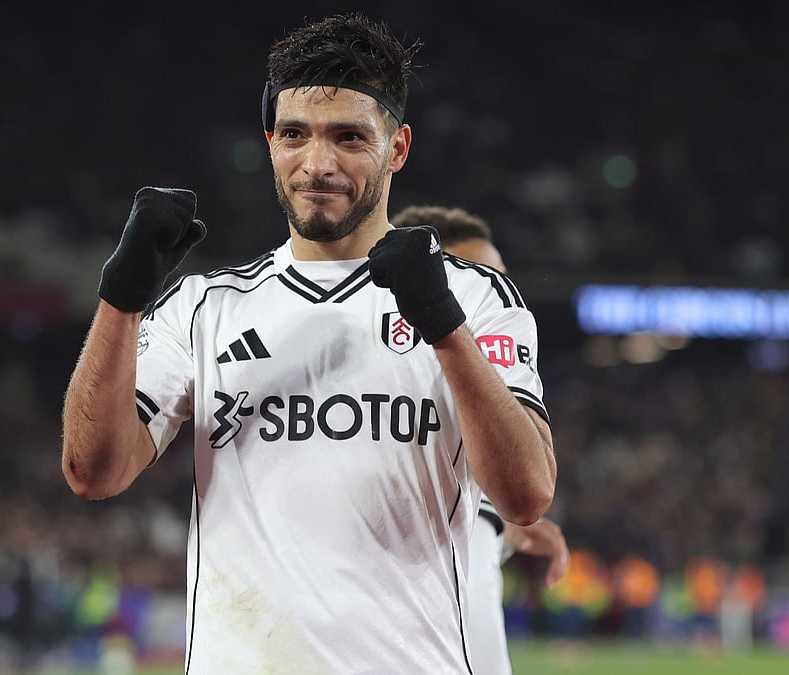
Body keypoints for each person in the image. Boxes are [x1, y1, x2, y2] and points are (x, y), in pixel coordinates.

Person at [61, 13, 556, 674]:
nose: (317, 164)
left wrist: (442, 324)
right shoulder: (205, 308)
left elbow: (526, 493)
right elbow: (92, 470)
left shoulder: (476, 299)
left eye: (349, 137)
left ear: (397, 147)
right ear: (270, 142)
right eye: (295, 134)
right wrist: (122, 297)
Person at [394, 204, 570, 675]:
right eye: (474, 275)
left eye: (500, 277)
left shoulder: (500, 362)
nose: (496, 293)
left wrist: (502, 521)